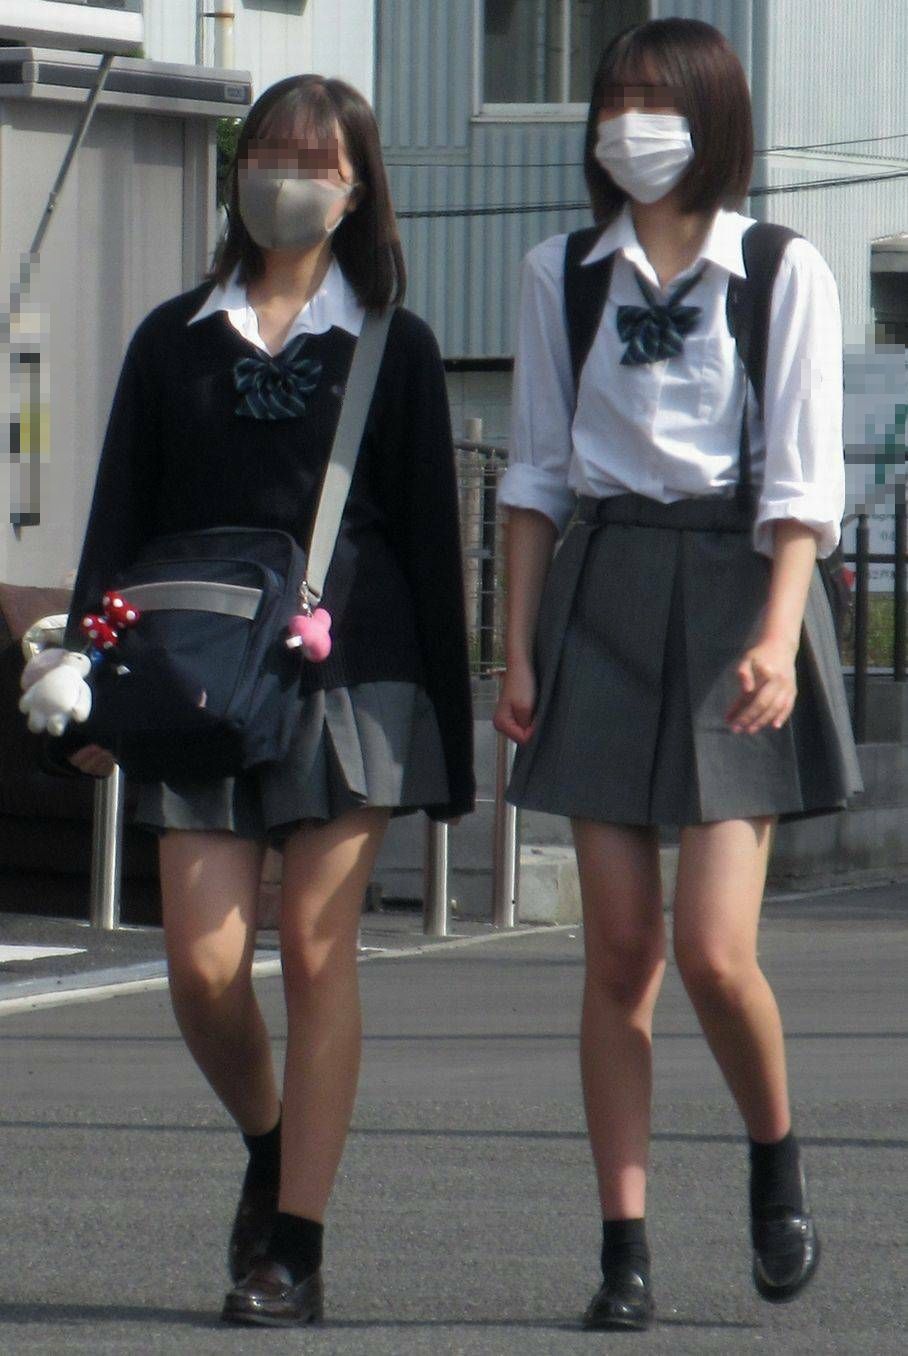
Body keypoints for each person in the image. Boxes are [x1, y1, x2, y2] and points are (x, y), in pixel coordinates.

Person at [63, 74, 474, 1327]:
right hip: (198, 674)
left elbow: (431, 541)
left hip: (352, 676)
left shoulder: (393, 343)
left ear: (355, 189)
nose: (284, 173)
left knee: (313, 946)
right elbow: (118, 514)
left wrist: (449, 744)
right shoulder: (170, 338)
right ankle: (270, 1142)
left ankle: (293, 1249)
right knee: (199, 967)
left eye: (314, 156)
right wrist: (86, 685)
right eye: (268, 150)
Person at [494, 17, 860, 1333]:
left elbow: (803, 482)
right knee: (618, 950)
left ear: (712, 115)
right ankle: (624, 1248)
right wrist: (515, 643)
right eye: (615, 97)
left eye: (656, 96)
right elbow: (535, 474)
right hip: (599, 590)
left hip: (731, 596)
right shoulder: (560, 272)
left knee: (711, 948)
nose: (629, 120)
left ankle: (774, 1156)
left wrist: (776, 632)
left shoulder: (777, 267)